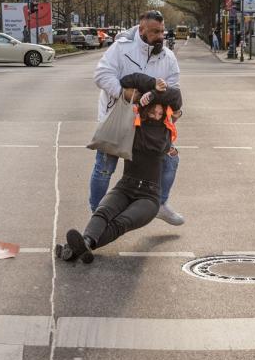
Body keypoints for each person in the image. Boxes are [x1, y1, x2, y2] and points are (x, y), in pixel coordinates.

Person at [62, 73, 182, 263]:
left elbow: (176, 98)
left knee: (121, 222)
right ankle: (84, 244)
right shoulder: (133, 124)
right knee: (102, 211)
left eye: (160, 113)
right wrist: (150, 86)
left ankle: (78, 247)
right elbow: (127, 80)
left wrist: (155, 92)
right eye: (153, 112)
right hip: (125, 187)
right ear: (144, 110)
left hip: (149, 198)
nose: (157, 116)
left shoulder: (167, 128)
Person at [93, 10, 184, 225]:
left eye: (162, 31)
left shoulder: (168, 57)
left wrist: (175, 110)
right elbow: (101, 75)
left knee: (170, 160)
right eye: (155, 31)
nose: (160, 36)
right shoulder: (121, 48)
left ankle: (160, 204)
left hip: (151, 123)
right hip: (119, 118)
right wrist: (126, 94)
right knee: (105, 167)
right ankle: (96, 215)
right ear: (141, 30)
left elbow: (175, 88)